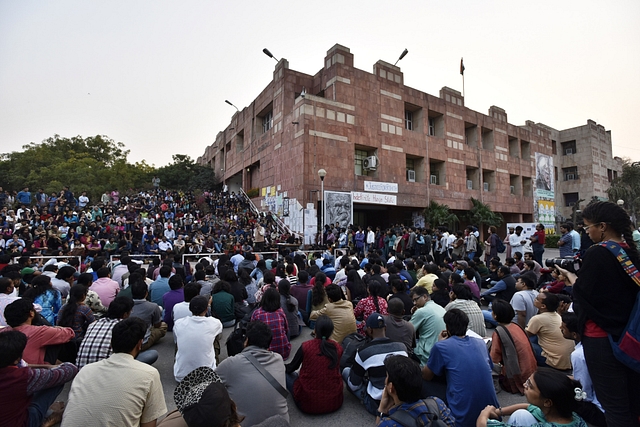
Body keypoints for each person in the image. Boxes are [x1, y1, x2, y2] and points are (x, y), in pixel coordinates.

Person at [61, 317, 167, 426]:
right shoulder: (149, 374)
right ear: (139, 344)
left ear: (111, 344)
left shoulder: (85, 370)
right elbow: (149, 425)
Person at [422, 309, 499, 427]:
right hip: (493, 412)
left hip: (461, 419)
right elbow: (489, 366)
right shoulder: (480, 343)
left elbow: (426, 375)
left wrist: (439, 343)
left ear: (447, 327)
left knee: (422, 381)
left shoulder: (441, 346)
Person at [216, 320, 289, 426]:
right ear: (268, 345)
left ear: (246, 341)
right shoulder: (278, 359)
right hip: (281, 424)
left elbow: (207, 385)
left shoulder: (230, 364)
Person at [0, 330, 78, 427]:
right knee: (56, 379)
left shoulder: (21, 375)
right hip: (21, 423)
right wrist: (52, 366)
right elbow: (70, 370)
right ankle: (48, 419)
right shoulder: (22, 377)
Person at [343, 313, 408, 415]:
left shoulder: (363, 351)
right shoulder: (402, 347)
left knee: (346, 371)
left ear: (369, 330)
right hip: (401, 400)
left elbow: (354, 385)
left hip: (377, 403)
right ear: (385, 328)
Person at [476, 368, 587, 427]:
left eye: (530, 385)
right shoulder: (572, 416)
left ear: (547, 402)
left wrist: (486, 412)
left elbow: (481, 424)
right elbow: (529, 407)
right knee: (521, 414)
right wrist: (500, 411)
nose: (525, 385)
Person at [76, 295, 158, 369]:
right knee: (152, 354)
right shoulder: (122, 327)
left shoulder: (93, 324)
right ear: (125, 314)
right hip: (108, 371)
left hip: (82, 369)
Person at [285, 315, 344, 414]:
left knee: (287, 374)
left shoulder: (306, 346)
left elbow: (291, 368)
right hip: (335, 402)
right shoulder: (338, 348)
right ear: (331, 331)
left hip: (307, 404)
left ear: (315, 330)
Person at [376, 355, 455, 427]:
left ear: (391, 387)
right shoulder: (437, 404)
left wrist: (381, 410)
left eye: (387, 376)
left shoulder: (388, 424)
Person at [560, 312, 606, 427]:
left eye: (563, 327)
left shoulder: (578, 355)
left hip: (601, 412)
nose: (560, 328)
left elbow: (584, 393)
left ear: (575, 334)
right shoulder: (600, 345)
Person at [4, 298, 76, 365]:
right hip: (33, 371)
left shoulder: (4, 331)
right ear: (31, 313)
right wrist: (53, 328)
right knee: (58, 339)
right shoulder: (39, 331)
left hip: (10, 369)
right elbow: (69, 333)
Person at [489, 299, 537, 395]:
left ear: (495, 315)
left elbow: (494, 358)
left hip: (519, 373)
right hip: (531, 371)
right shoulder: (516, 325)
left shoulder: (499, 331)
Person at [173, 295, 223, 382]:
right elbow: (220, 331)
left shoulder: (179, 323)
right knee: (214, 336)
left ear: (190, 309)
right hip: (207, 377)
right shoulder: (214, 323)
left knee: (182, 338)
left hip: (181, 377)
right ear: (206, 309)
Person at [525, 292, 574, 370]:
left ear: (543, 306)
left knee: (523, 344)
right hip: (567, 361)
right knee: (535, 337)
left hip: (554, 362)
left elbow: (524, 335)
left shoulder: (538, 319)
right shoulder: (557, 315)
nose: (535, 300)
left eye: (537, 299)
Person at [250, 287, 291, 359]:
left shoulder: (257, 313)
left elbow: (251, 332)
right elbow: (286, 329)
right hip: (283, 353)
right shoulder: (280, 312)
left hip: (263, 356)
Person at [409, 286, 446, 366]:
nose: (415, 303)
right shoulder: (439, 307)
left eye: (416, 299)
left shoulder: (422, 311)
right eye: (413, 301)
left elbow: (407, 330)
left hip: (427, 353)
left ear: (425, 297)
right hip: (443, 349)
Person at [129, 281, 167, 351]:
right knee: (163, 325)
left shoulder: (126, 305)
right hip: (143, 342)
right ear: (146, 293)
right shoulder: (153, 306)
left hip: (127, 340)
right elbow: (157, 325)